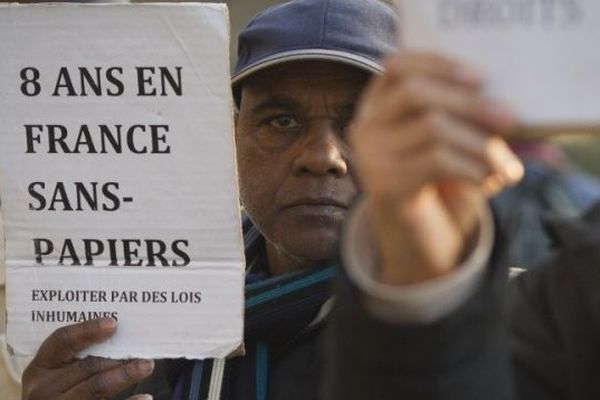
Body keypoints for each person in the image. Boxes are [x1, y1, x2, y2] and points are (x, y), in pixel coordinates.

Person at [20, 1, 525, 399]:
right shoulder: (129, 342)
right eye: (282, 122)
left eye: (361, 123)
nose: (324, 157)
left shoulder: (514, 325)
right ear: (231, 141)